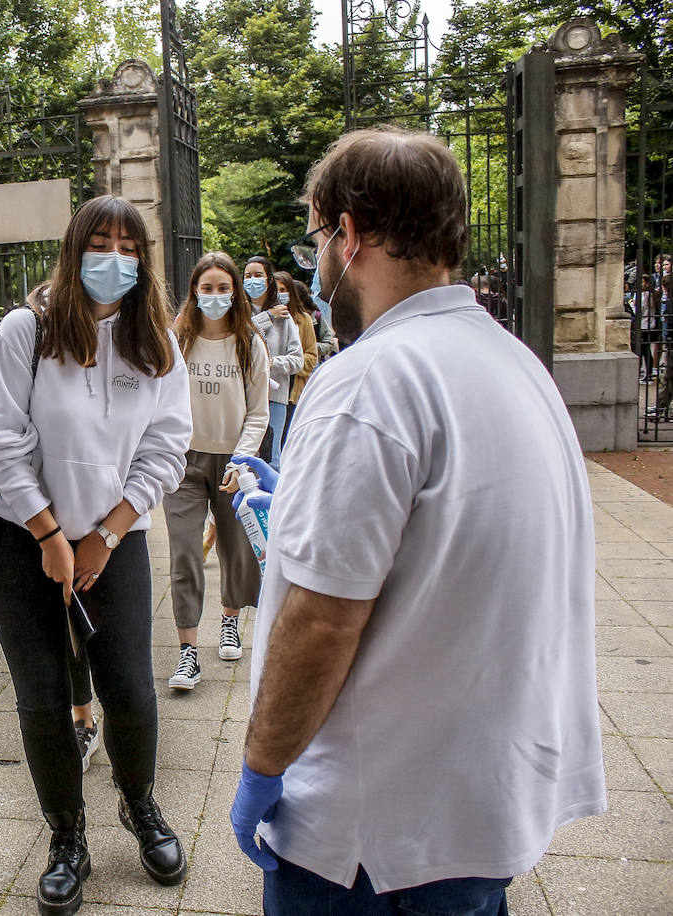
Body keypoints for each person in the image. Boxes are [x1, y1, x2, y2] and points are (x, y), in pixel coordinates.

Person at [227, 126, 606, 914]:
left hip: (370, 844)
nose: (315, 262)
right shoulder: (514, 363)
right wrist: (296, 498)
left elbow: (324, 618)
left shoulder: (370, 378)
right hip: (475, 814)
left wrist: (263, 770)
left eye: (314, 237)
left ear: (350, 234)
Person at [0, 195, 192, 914]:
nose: (116, 259)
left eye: (130, 247)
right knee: (42, 699)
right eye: (101, 243)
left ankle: (141, 805)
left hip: (112, 541)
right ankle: (67, 838)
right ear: (73, 250)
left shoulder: (154, 340)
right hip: (21, 543)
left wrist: (107, 531)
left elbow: (166, 446)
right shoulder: (24, 331)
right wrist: (49, 534)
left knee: (128, 687)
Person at [164, 252, 270, 683]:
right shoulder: (178, 339)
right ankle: (187, 649)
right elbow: (161, 399)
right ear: (194, 291)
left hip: (233, 460)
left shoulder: (249, 342)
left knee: (234, 548)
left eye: (223, 288)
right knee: (186, 552)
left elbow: (258, 412)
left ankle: (230, 620)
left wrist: (242, 458)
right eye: (206, 288)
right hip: (184, 462)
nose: (214, 295)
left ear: (235, 291)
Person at [244, 256, 302, 471]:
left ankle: (272, 503)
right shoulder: (239, 313)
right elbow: (242, 334)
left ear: (268, 280)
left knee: (271, 459)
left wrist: (270, 363)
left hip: (274, 397)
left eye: (258, 275)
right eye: (247, 276)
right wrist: (267, 316)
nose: (252, 280)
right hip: (243, 395)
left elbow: (298, 360)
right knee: (243, 455)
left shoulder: (285, 318)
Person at [275, 271, 319, 437]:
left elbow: (311, 356)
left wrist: (291, 363)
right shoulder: (266, 317)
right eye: (276, 289)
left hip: (293, 391)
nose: (280, 294)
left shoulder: (304, 319)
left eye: (284, 289)